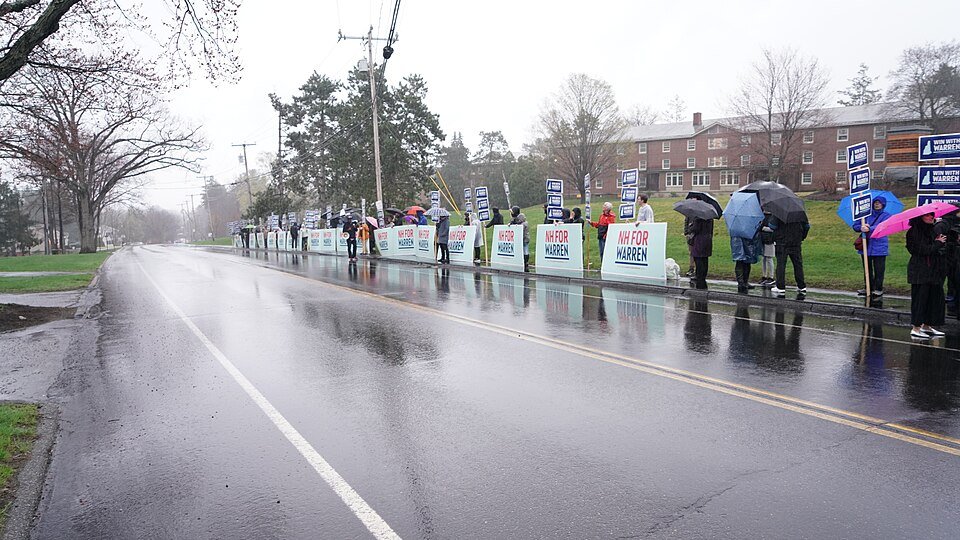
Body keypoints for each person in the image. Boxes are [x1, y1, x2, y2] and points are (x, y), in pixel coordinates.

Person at [906, 213, 947, 339]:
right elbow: (921, 250)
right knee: (920, 299)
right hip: (920, 270)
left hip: (934, 270)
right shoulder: (913, 232)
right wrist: (937, 244)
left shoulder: (932, 230)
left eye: (932, 215)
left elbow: (937, 248)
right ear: (920, 217)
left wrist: (939, 242)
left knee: (934, 298)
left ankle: (927, 325)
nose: (931, 217)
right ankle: (916, 327)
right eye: (928, 216)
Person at [854, 196, 892, 297]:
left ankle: (878, 288)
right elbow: (855, 225)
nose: (877, 204)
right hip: (866, 246)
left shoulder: (886, 216)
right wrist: (860, 227)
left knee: (879, 269)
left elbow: (884, 226)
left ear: (883, 204)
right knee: (867, 268)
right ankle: (868, 287)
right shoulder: (865, 215)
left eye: (879, 203)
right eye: (875, 202)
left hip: (880, 247)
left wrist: (869, 228)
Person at [770, 215, 810, 297]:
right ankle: (801, 285)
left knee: (781, 264)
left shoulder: (778, 212)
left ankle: (780, 286)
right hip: (796, 241)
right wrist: (802, 237)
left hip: (782, 241)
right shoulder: (799, 211)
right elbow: (807, 226)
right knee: (798, 264)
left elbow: (772, 226)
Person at [689, 216, 713, 290]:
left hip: (699, 240)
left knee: (698, 259)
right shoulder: (710, 217)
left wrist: (691, 226)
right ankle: (703, 276)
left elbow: (695, 229)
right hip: (708, 239)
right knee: (705, 259)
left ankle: (700, 277)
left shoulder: (698, 217)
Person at [509, 206, 530, 271]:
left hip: (525, 239)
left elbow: (520, 228)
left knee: (525, 250)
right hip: (523, 239)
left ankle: (526, 262)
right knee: (524, 250)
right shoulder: (520, 222)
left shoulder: (524, 224)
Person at [759, 214, 776, 288]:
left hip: (770, 240)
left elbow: (774, 228)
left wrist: (763, 228)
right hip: (763, 239)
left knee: (769, 258)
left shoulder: (773, 217)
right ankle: (764, 276)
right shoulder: (763, 216)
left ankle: (771, 277)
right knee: (764, 259)